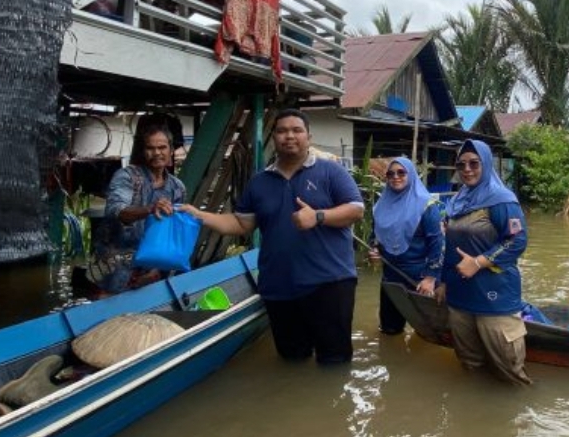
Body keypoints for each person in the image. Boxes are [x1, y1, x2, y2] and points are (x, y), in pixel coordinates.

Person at [180, 109, 364, 364]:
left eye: (296, 130)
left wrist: (318, 216)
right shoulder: (260, 182)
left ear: (308, 137)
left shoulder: (331, 172)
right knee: (291, 359)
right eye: (282, 131)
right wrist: (199, 215)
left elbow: (356, 210)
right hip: (279, 286)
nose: (289, 136)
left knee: (334, 360)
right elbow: (240, 223)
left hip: (329, 283)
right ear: (274, 137)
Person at [438, 140, 531, 385]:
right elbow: (449, 249)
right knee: (470, 367)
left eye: (474, 163)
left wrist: (480, 262)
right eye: (461, 164)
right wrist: (443, 282)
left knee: (510, 371)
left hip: (495, 298)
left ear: (486, 164)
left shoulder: (502, 200)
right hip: (460, 298)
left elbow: (517, 240)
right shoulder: (457, 201)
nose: (467, 169)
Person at [95, 124, 187, 294]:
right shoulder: (127, 177)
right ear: (143, 151)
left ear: (171, 150)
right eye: (150, 148)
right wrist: (150, 209)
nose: (157, 153)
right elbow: (116, 211)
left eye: (162, 147)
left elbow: (173, 233)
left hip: (151, 270)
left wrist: (158, 270)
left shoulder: (177, 188)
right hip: (115, 267)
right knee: (109, 316)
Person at [369, 157, 445, 335]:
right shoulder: (380, 206)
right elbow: (376, 236)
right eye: (391, 174)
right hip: (391, 278)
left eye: (401, 172)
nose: (396, 177)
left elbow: (438, 243)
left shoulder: (427, 205)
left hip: (420, 279)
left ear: (410, 175)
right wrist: (374, 249)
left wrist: (430, 278)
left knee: (427, 332)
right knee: (389, 330)